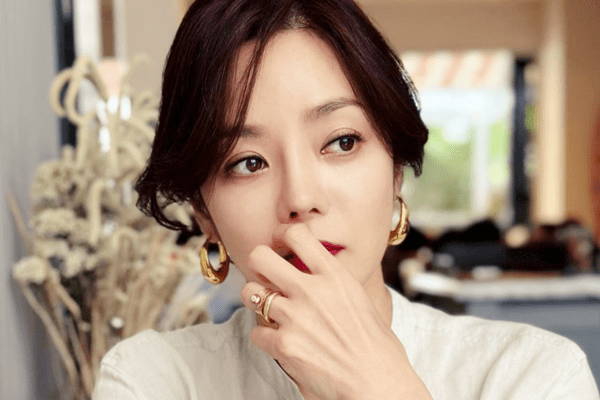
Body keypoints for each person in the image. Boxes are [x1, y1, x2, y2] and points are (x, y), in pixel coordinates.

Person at [93, 0, 599, 399]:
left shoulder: (533, 377)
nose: (301, 198)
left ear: (395, 171)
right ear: (205, 212)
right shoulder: (153, 381)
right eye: (248, 162)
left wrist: (380, 387)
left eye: (341, 142)